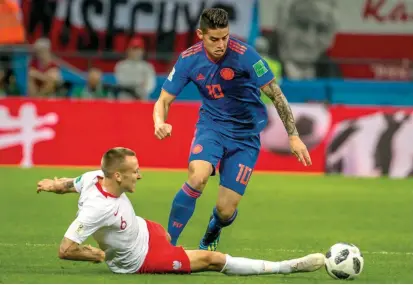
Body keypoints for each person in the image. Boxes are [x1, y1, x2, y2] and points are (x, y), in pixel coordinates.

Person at [153, 8, 312, 250]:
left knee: (225, 210)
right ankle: (168, 245)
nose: (220, 44)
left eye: (225, 37)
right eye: (214, 39)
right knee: (198, 177)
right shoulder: (188, 59)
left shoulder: (246, 56)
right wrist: (159, 122)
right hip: (211, 128)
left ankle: (213, 229)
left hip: (245, 137)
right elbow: (163, 100)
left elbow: (276, 95)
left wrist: (294, 136)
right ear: (200, 34)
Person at [36, 147, 325, 275]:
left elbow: (68, 184)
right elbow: (66, 249)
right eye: (135, 172)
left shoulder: (92, 177)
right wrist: (96, 255)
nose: (140, 175)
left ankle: (181, 255)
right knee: (211, 259)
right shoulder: (97, 210)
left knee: (186, 252)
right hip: (140, 259)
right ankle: (287, 267)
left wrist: (51, 184)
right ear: (118, 177)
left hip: (147, 231)